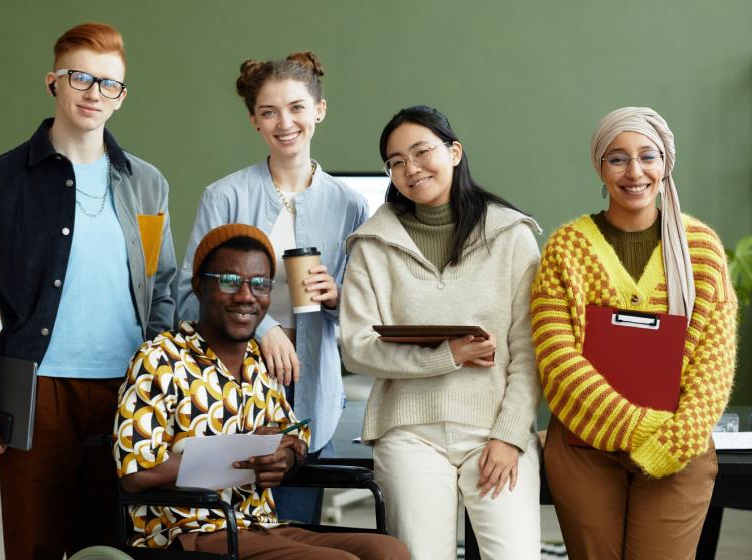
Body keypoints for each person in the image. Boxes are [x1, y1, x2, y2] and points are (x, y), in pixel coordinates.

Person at [0, 22, 176, 560]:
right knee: (33, 545)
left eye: (109, 84)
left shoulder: (147, 184)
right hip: (34, 391)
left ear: (121, 97)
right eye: (80, 78)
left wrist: (155, 380)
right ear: (54, 82)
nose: (94, 93)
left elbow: (161, 287)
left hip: (126, 391)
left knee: (113, 547)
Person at [115, 224, 409, 559]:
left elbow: (292, 439)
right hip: (189, 532)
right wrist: (237, 457)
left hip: (260, 524)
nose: (245, 296)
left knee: (388, 551)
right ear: (199, 287)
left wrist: (284, 457)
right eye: (229, 281)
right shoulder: (159, 359)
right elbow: (136, 475)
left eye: (259, 284)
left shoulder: (259, 364)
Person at [530, 106, 737, 559]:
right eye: (617, 158)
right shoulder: (566, 248)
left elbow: (714, 360)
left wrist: (678, 437)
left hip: (678, 446)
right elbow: (556, 360)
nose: (634, 171)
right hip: (585, 446)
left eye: (648, 156)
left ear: (666, 163)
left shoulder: (701, 248)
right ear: (600, 168)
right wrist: (636, 426)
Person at [340, 105, 543, 560]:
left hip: (494, 428)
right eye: (395, 162)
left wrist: (510, 435)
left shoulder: (512, 234)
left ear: (454, 152)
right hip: (408, 429)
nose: (410, 169)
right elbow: (356, 348)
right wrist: (445, 355)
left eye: (421, 152)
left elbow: (528, 350)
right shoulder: (371, 245)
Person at [175, 51, 368, 523]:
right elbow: (186, 293)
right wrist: (264, 328)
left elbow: (367, 311)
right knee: (226, 534)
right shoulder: (225, 196)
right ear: (254, 121)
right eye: (269, 111)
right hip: (223, 397)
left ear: (319, 110)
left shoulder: (350, 206)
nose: (285, 122)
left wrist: (338, 297)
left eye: (297, 107)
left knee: (296, 534)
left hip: (308, 399)